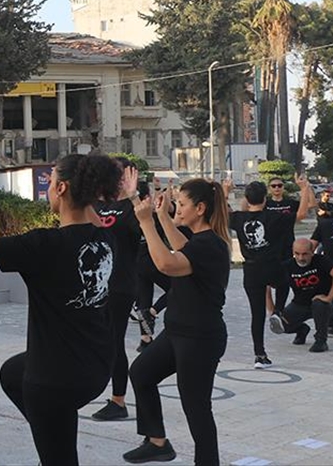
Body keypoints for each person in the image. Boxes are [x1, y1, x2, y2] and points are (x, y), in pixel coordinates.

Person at [0, 155, 118, 466]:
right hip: (96, 368)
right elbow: (91, 218)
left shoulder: (44, 245)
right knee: (11, 373)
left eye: (50, 182)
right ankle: (52, 430)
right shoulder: (105, 238)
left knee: (57, 454)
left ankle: (53, 437)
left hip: (54, 379)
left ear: (60, 188)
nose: (46, 189)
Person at [124, 181, 231, 466]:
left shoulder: (212, 245)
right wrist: (160, 217)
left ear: (200, 209)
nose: (177, 209)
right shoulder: (198, 241)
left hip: (200, 338)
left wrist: (147, 222)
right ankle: (157, 442)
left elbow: (166, 264)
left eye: (182, 205)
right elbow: (180, 245)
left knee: (196, 409)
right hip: (176, 332)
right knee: (142, 373)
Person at [91, 157, 143, 421]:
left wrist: (132, 197)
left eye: (122, 175)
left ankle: (119, 401)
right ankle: (97, 387)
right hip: (96, 285)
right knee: (98, 340)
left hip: (120, 285)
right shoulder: (98, 205)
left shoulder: (131, 208)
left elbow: (144, 229)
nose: (118, 179)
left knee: (114, 341)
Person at [228, 181, 289, 368]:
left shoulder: (238, 218)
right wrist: (304, 189)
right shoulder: (274, 217)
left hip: (251, 269)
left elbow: (223, 211)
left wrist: (225, 190)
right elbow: (301, 214)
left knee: (257, 314)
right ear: (266, 198)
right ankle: (278, 310)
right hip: (271, 265)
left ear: (246, 199)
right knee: (284, 283)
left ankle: (259, 355)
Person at [270, 239, 333, 352]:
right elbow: (267, 285)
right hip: (300, 304)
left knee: (319, 304)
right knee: (279, 325)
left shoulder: (322, 261)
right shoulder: (287, 265)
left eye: (305, 254)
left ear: (312, 251)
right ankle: (302, 330)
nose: (301, 258)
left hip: (323, 304)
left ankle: (321, 341)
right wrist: (273, 311)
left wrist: (329, 297)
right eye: (297, 253)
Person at [264, 175, 315, 312]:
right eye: (273, 186)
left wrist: (306, 187)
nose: (277, 188)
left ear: (283, 187)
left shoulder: (290, 203)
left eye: (279, 185)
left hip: (287, 245)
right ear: (269, 189)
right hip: (269, 246)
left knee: (284, 279)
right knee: (265, 280)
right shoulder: (266, 204)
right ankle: (271, 308)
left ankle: (279, 310)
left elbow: (310, 205)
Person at [133, 181, 170, 352]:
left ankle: (145, 338)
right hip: (152, 260)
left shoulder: (127, 215)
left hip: (136, 264)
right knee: (178, 286)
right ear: (146, 197)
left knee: (143, 299)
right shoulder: (151, 217)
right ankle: (154, 312)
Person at [310, 200, 333, 336]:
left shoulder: (324, 224)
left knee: (331, 298)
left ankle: (331, 326)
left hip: (331, 268)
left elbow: (312, 246)